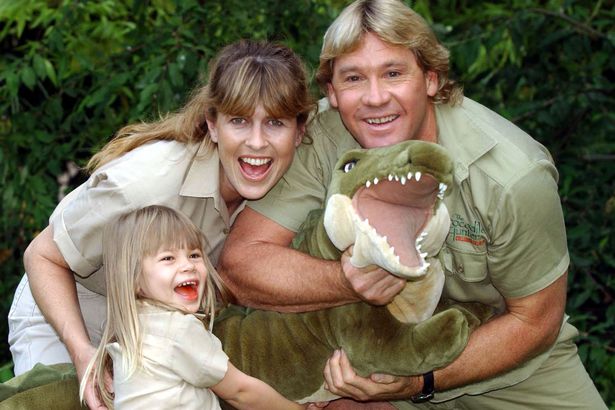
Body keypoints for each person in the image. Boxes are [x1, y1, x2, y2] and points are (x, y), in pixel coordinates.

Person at [218, 1, 607, 409]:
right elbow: (243, 262)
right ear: (332, 93)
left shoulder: (511, 177)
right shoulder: (322, 139)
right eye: (353, 78)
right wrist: (346, 281)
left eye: (393, 73)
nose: (374, 98)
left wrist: (421, 379)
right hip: (376, 353)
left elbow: (535, 321)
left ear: (431, 79)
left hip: (506, 364)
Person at [8, 39, 314, 409]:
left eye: (275, 123)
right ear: (212, 124)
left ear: (299, 131)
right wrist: (81, 351)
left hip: (160, 330)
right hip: (72, 307)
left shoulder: (289, 185)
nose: (257, 142)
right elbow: (43, 256)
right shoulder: (145, 185)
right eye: (239, 120)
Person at [81, 205, 305, 409]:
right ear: (134, 279)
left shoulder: (136, 326)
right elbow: (240, 392)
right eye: (168, 258)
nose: (188, 265)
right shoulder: (177, 329)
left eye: (194, 255)